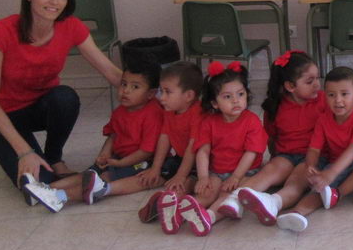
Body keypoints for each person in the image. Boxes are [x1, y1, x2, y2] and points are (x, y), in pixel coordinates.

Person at [0, 0, 121, 197]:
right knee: (39, 186)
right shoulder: (0, 32)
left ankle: (53, 157)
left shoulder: (71, 26)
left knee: (65, 97)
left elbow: (111, 72)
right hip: (1, 116)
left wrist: (154, 93)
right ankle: (30, 154)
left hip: (40, 108)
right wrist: (24, 152)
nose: (54, 0)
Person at [244, 66, 353, 232]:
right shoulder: (323, 120)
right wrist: (311, 166)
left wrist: (331, 174)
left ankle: (340, 193)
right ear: (325, 97)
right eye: (331, 95)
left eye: (344, 94)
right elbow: (314, 149)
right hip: (336, 161)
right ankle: (297, 213)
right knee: (320, 188)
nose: (338, 100)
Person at [22, 60, 162, 212]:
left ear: (151, 93)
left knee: (101, 180)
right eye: (123, 84)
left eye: (135, 87)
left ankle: (60, 197)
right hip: (117, 158)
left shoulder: (153, 114)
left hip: (140, 162)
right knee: (88, 174)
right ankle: (42, 190)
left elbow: (146, 151)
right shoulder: (121, 111)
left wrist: (120, 164)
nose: (126, 91)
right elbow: (114, 135)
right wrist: (104, 154)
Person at [216, 50, 325, 220]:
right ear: (290, 86)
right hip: (286, 155)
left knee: (296, 182)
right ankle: (234, 200)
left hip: (311, 157)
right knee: (268, 171)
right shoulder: (275, 106)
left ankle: (273, 202)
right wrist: (276, 160)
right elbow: (272, 138)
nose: (317, 84)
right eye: (310, 81)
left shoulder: (323, 101)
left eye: (318, 78)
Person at [161, 61, 267, 235]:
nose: (236, 100)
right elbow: (203, 150)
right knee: (208, 192)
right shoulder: (209, 122)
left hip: (245, 172)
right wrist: (203, 177)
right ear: (215, 103)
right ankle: (177, 214)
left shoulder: (252, 121)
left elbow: (251, 152)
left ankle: (209, 217)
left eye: (240, 94)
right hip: (217, 171)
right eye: (227, 97)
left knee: (228, 195)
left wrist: (235, 176)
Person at [137, 61, 204, 225]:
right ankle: (105, 189)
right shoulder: (170, 110)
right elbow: (164, 138)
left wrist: (181, 176)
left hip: (203, 161)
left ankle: (170, 203)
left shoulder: (198, 113)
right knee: (152, 175)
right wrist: (155, 168)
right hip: (181, 159)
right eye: (161, 91)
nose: (162, 97)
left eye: (167, 92)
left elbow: (192, 148)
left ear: (188, 96)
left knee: (187, 181)